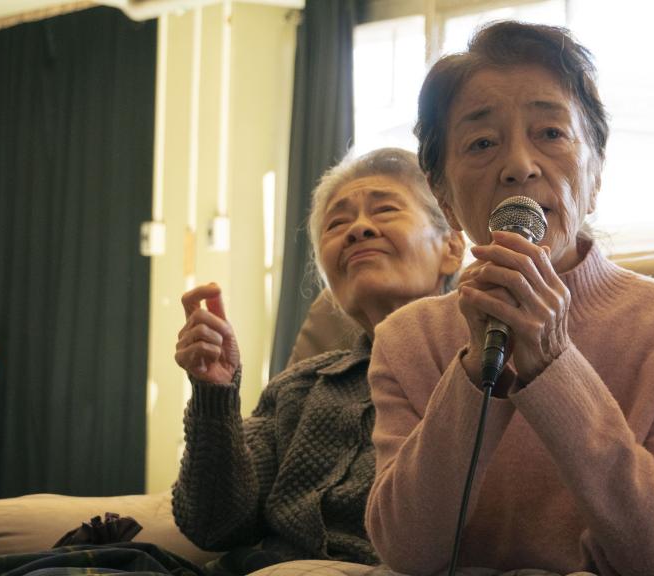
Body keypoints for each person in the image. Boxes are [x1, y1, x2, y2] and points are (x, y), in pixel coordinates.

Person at [364, 21, 654, 576]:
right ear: (444, 198)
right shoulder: (405, 338)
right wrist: (475, 372)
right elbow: (406, 551)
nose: (519, 165)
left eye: (551, 133)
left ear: (594, 177)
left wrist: (552, 362)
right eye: (482, 143)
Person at [171, 148, 465, 575]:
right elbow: (212, 526)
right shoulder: (301, 386)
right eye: (337, 223)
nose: (359, 229)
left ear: (452, 247)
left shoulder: (482, 373)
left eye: (384, 210)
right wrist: (214, 394)